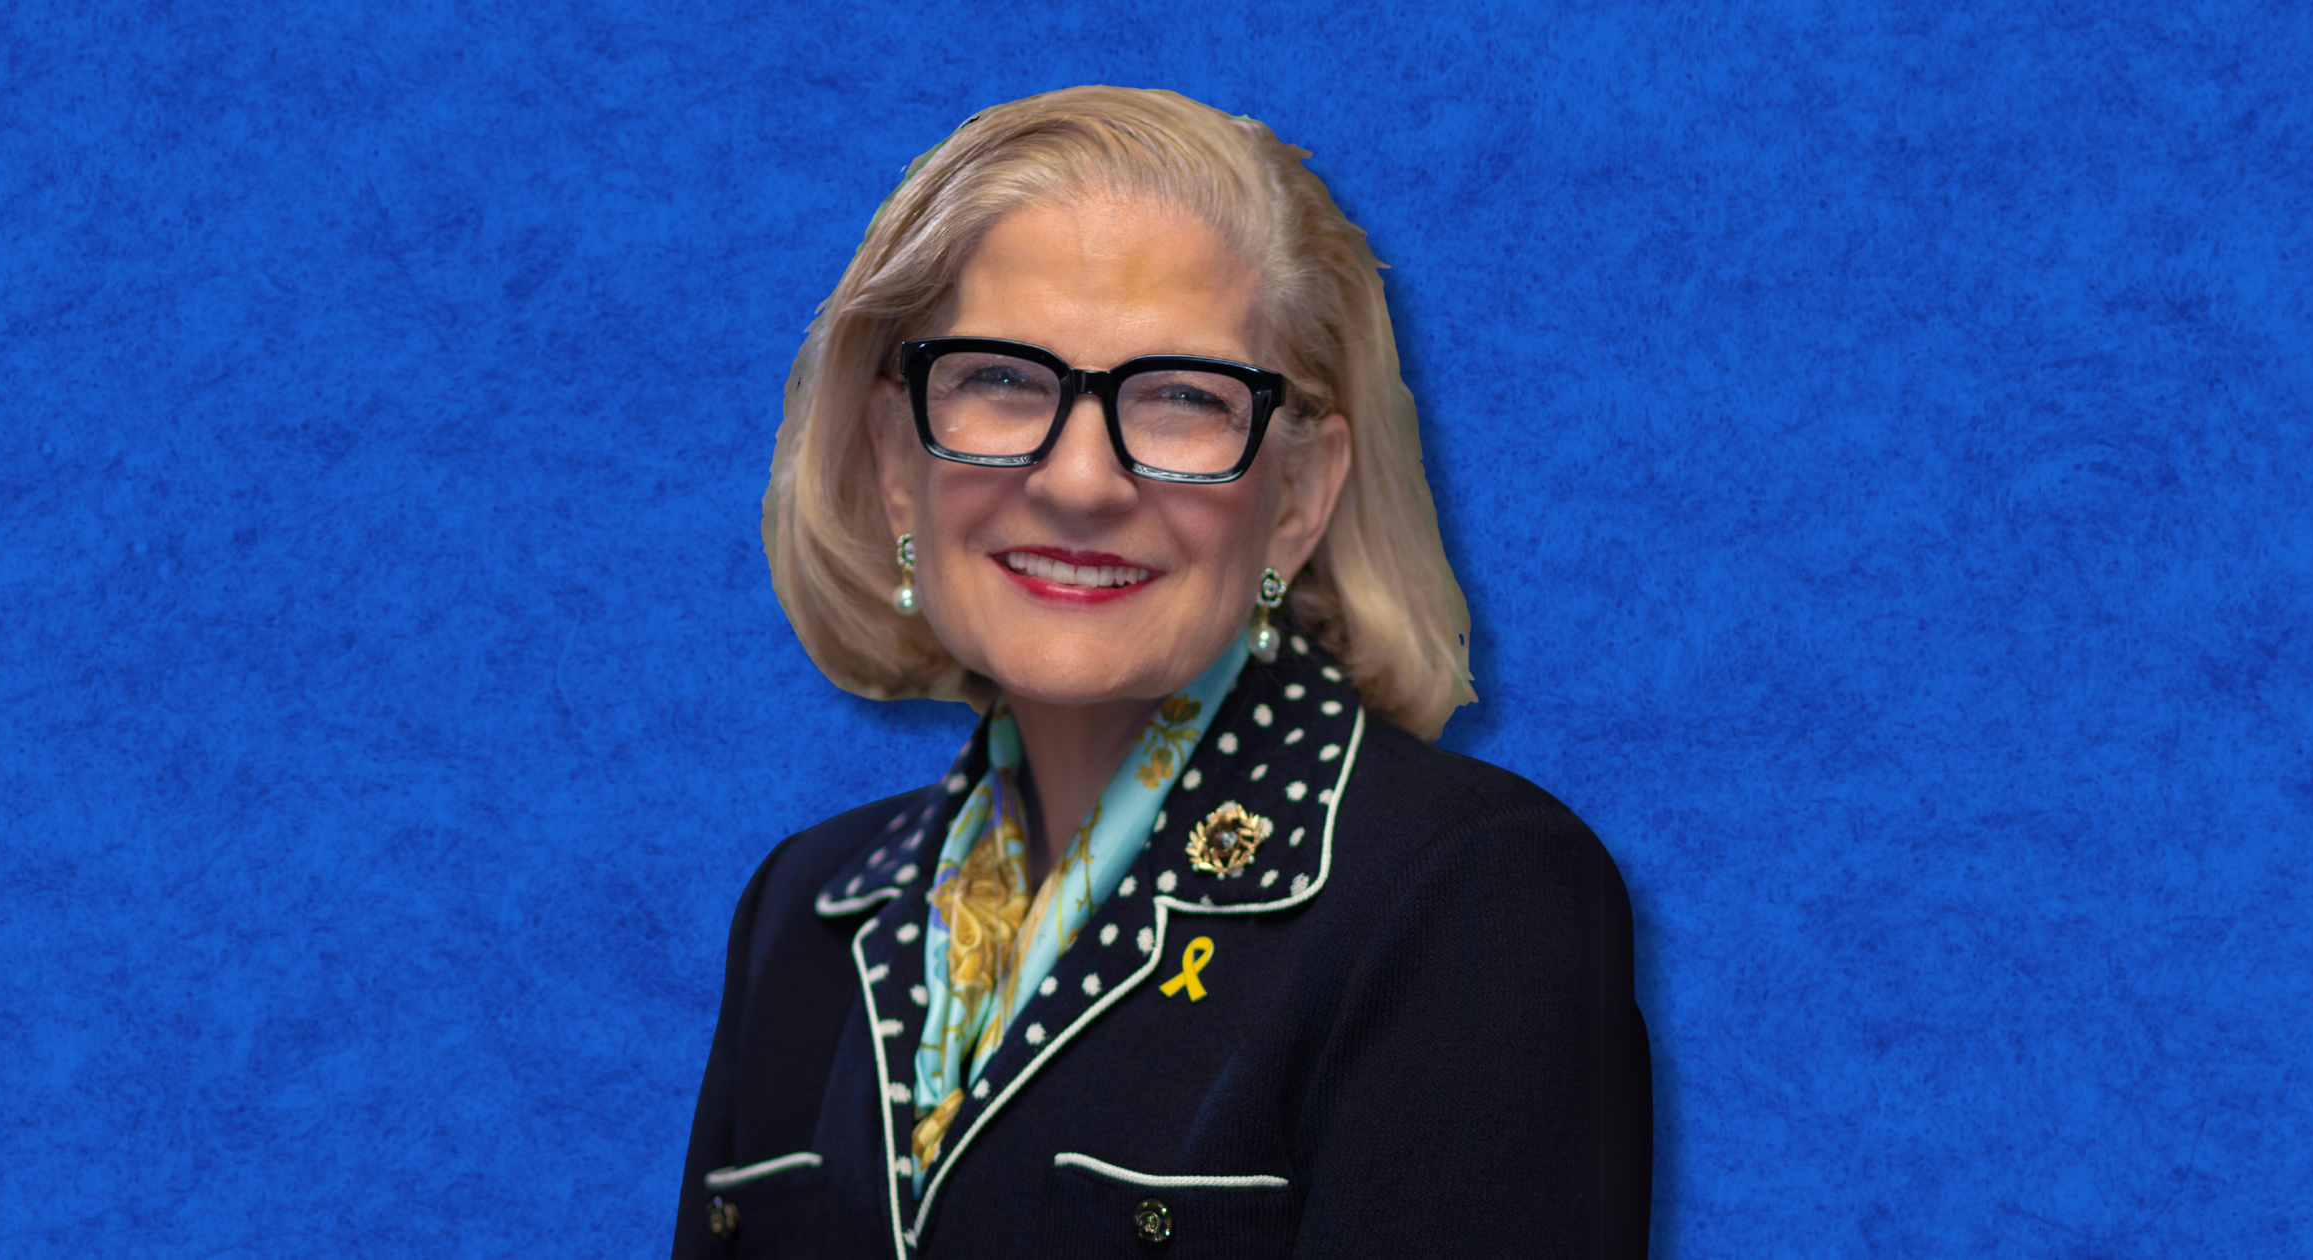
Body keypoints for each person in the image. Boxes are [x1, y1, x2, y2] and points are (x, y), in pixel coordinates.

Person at [674, 85, 1650, 1259]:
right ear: (895, 462)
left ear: (1298, 495)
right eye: (1002, 380)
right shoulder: (801, 909)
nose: (1080, 483)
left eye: (1182, 398)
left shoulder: (1473, 898)